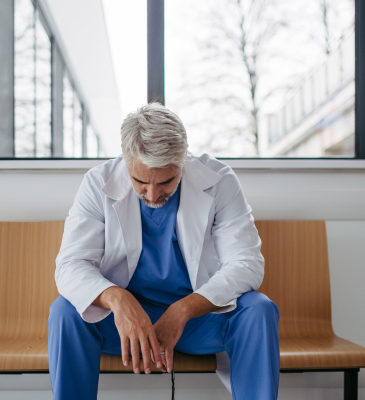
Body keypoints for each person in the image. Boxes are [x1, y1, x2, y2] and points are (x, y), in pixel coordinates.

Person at [48, 103, 280, 399]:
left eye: (167, 181)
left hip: (198, 319)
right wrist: (118, 299)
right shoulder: (98, 183)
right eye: (140, 182)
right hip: (125, 325)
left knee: (258, 309)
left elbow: (246, 263)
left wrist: (182, 311)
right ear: (127, 162)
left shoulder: (219, 179)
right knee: (65, 312)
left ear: (183, 161)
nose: (154, 194)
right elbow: (71, 264)